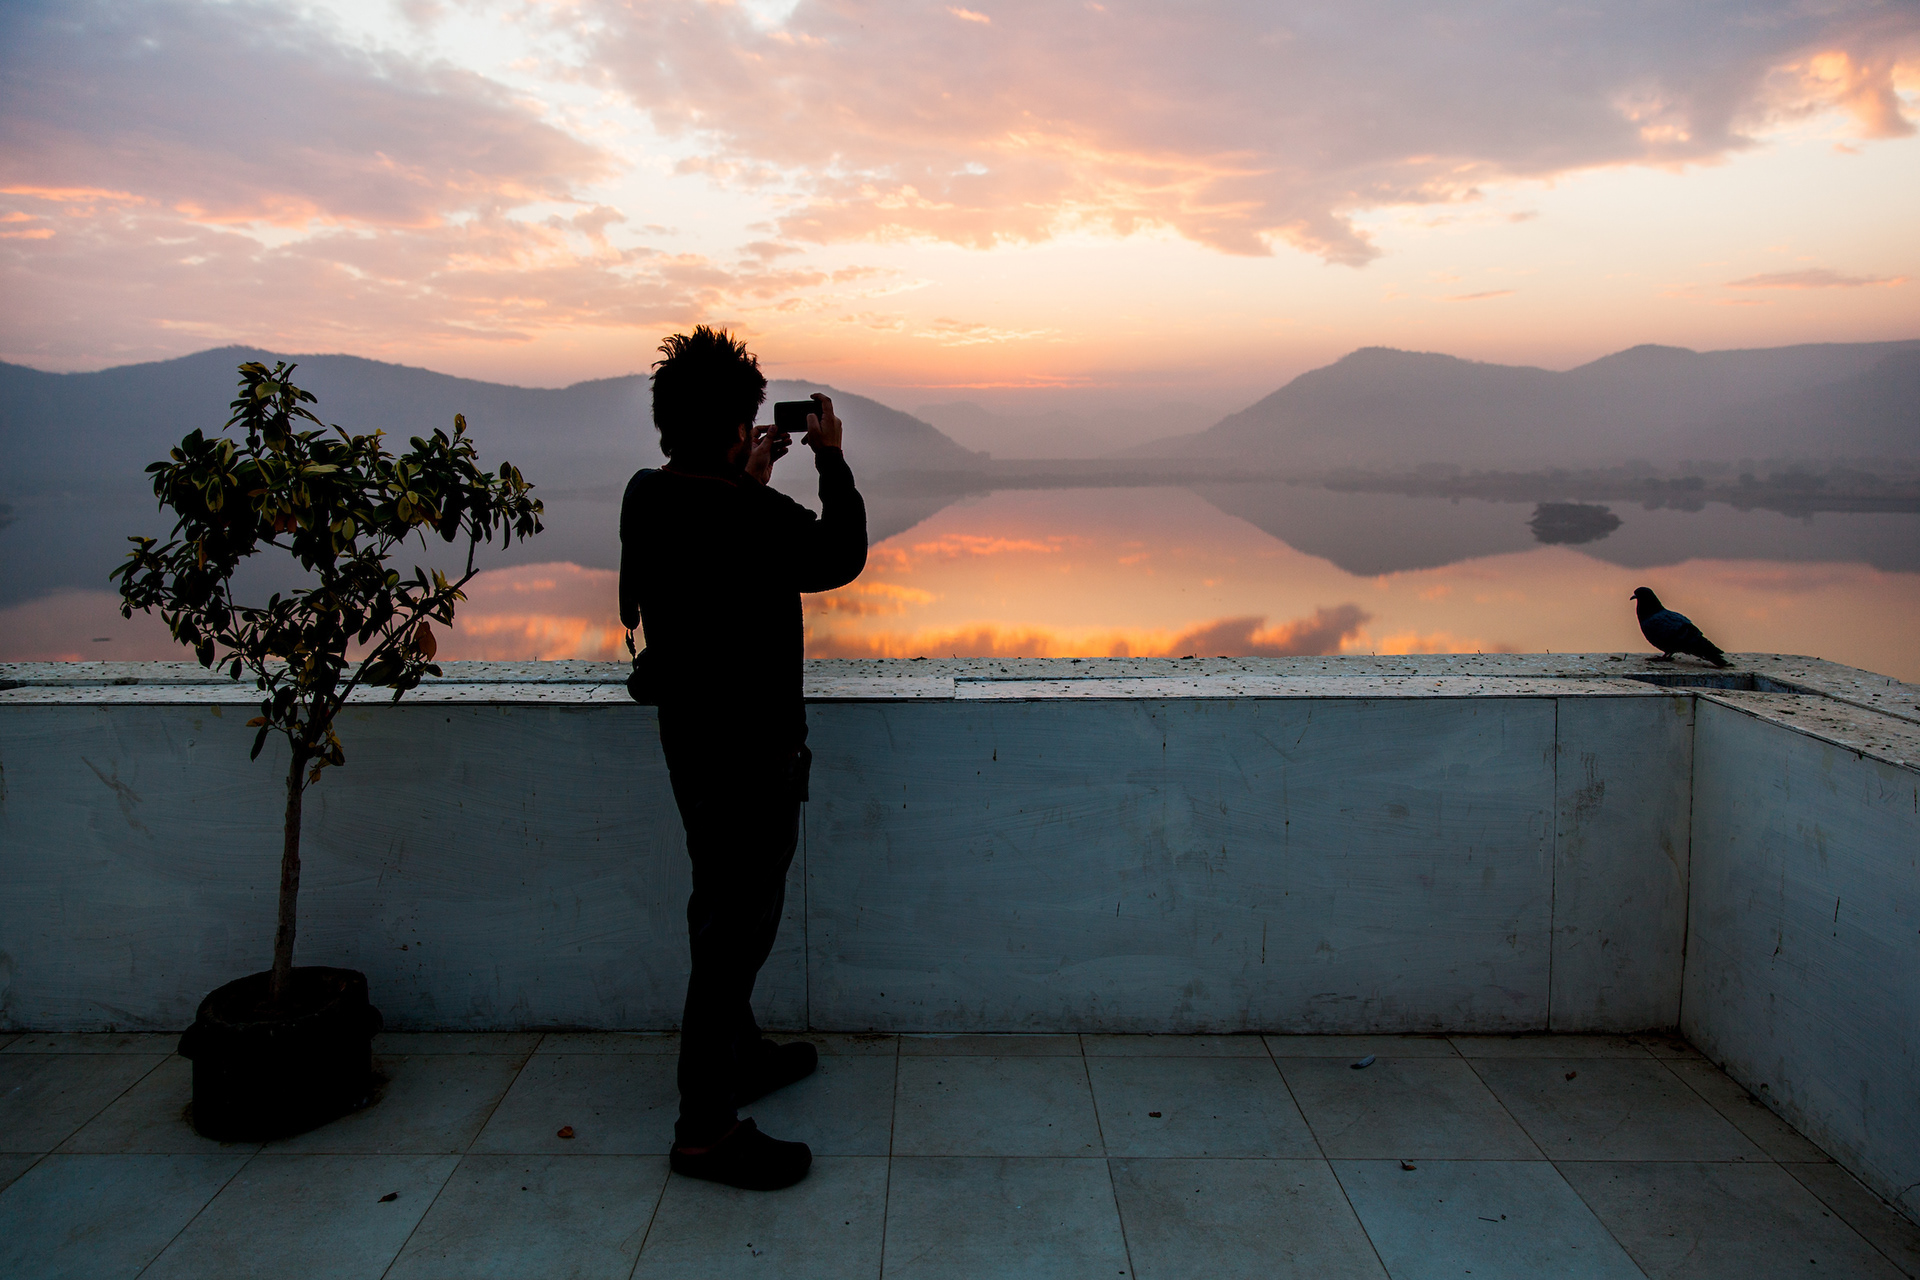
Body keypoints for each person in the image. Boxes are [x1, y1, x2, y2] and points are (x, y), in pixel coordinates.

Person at [618, 327, 867, 1190]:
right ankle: (705, 1130)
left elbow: (703, 550)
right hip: (754, 756)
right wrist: (830, 459)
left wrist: (743, 479)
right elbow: (840, 554)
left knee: (717, 909)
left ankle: (741, 1054)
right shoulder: (752, 518)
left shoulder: (648, 495)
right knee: (736, 933)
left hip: (691, 744)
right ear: (736, 427)